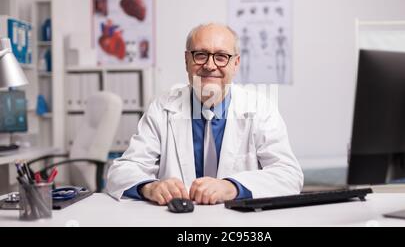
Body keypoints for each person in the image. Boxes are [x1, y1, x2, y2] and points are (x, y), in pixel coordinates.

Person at [106, 23, 303, 205]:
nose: (210, 65)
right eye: (201, 55)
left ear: (236, 63)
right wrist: (149, 186)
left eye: (221, 56)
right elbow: (120, 172)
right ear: (186, 60)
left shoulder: (261, 108)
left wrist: (232, 187)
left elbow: (289, 175)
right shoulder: (161, 108)